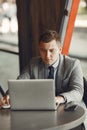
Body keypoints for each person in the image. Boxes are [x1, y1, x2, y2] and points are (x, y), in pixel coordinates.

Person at [0, 29, 85, 107]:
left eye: (52, 50)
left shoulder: (73, 64)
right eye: (43, 50)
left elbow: (78, 92)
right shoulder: (33, 63)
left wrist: (59, 98)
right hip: (41, 109)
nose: (47, 55)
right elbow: (19, 83)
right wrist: (10, 95)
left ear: (60, 50)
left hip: (66, 109)